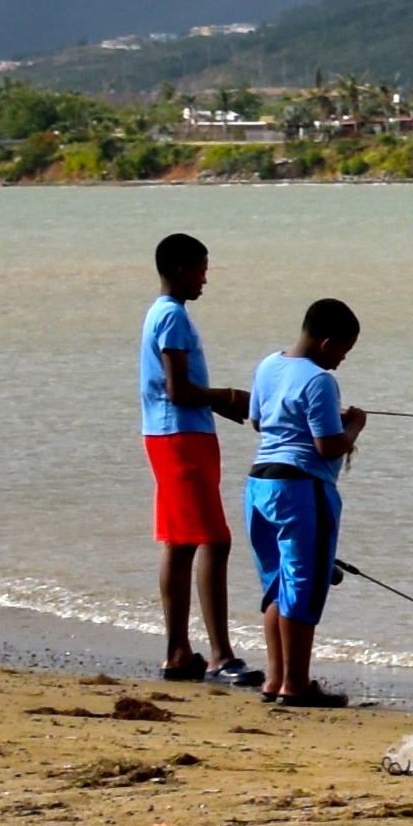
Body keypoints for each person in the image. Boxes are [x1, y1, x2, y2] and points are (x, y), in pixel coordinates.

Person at [239, 296, 368, 708]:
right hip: (302, 489)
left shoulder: (268, 365)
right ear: (328, 342)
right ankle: (296, 685)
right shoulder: (320, 381)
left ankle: (276, 680)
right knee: (303, 586)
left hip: (259, 485)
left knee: (277, 585)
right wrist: (355, 426)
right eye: (344, 350)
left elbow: (259, 420)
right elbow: (329, 446)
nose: (343, 360)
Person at [140, 233, 257, 687]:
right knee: (215, 540)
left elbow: (184, 391)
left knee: (181, 541)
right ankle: (220, 656)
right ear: (180, 269)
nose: (206, 278)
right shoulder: (171, 316)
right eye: (202, 269)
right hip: (179, 435)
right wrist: (228, 397)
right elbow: (178, 391)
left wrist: (229, 407)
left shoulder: (164, 312)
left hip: (172, 432)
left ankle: (177, 653)